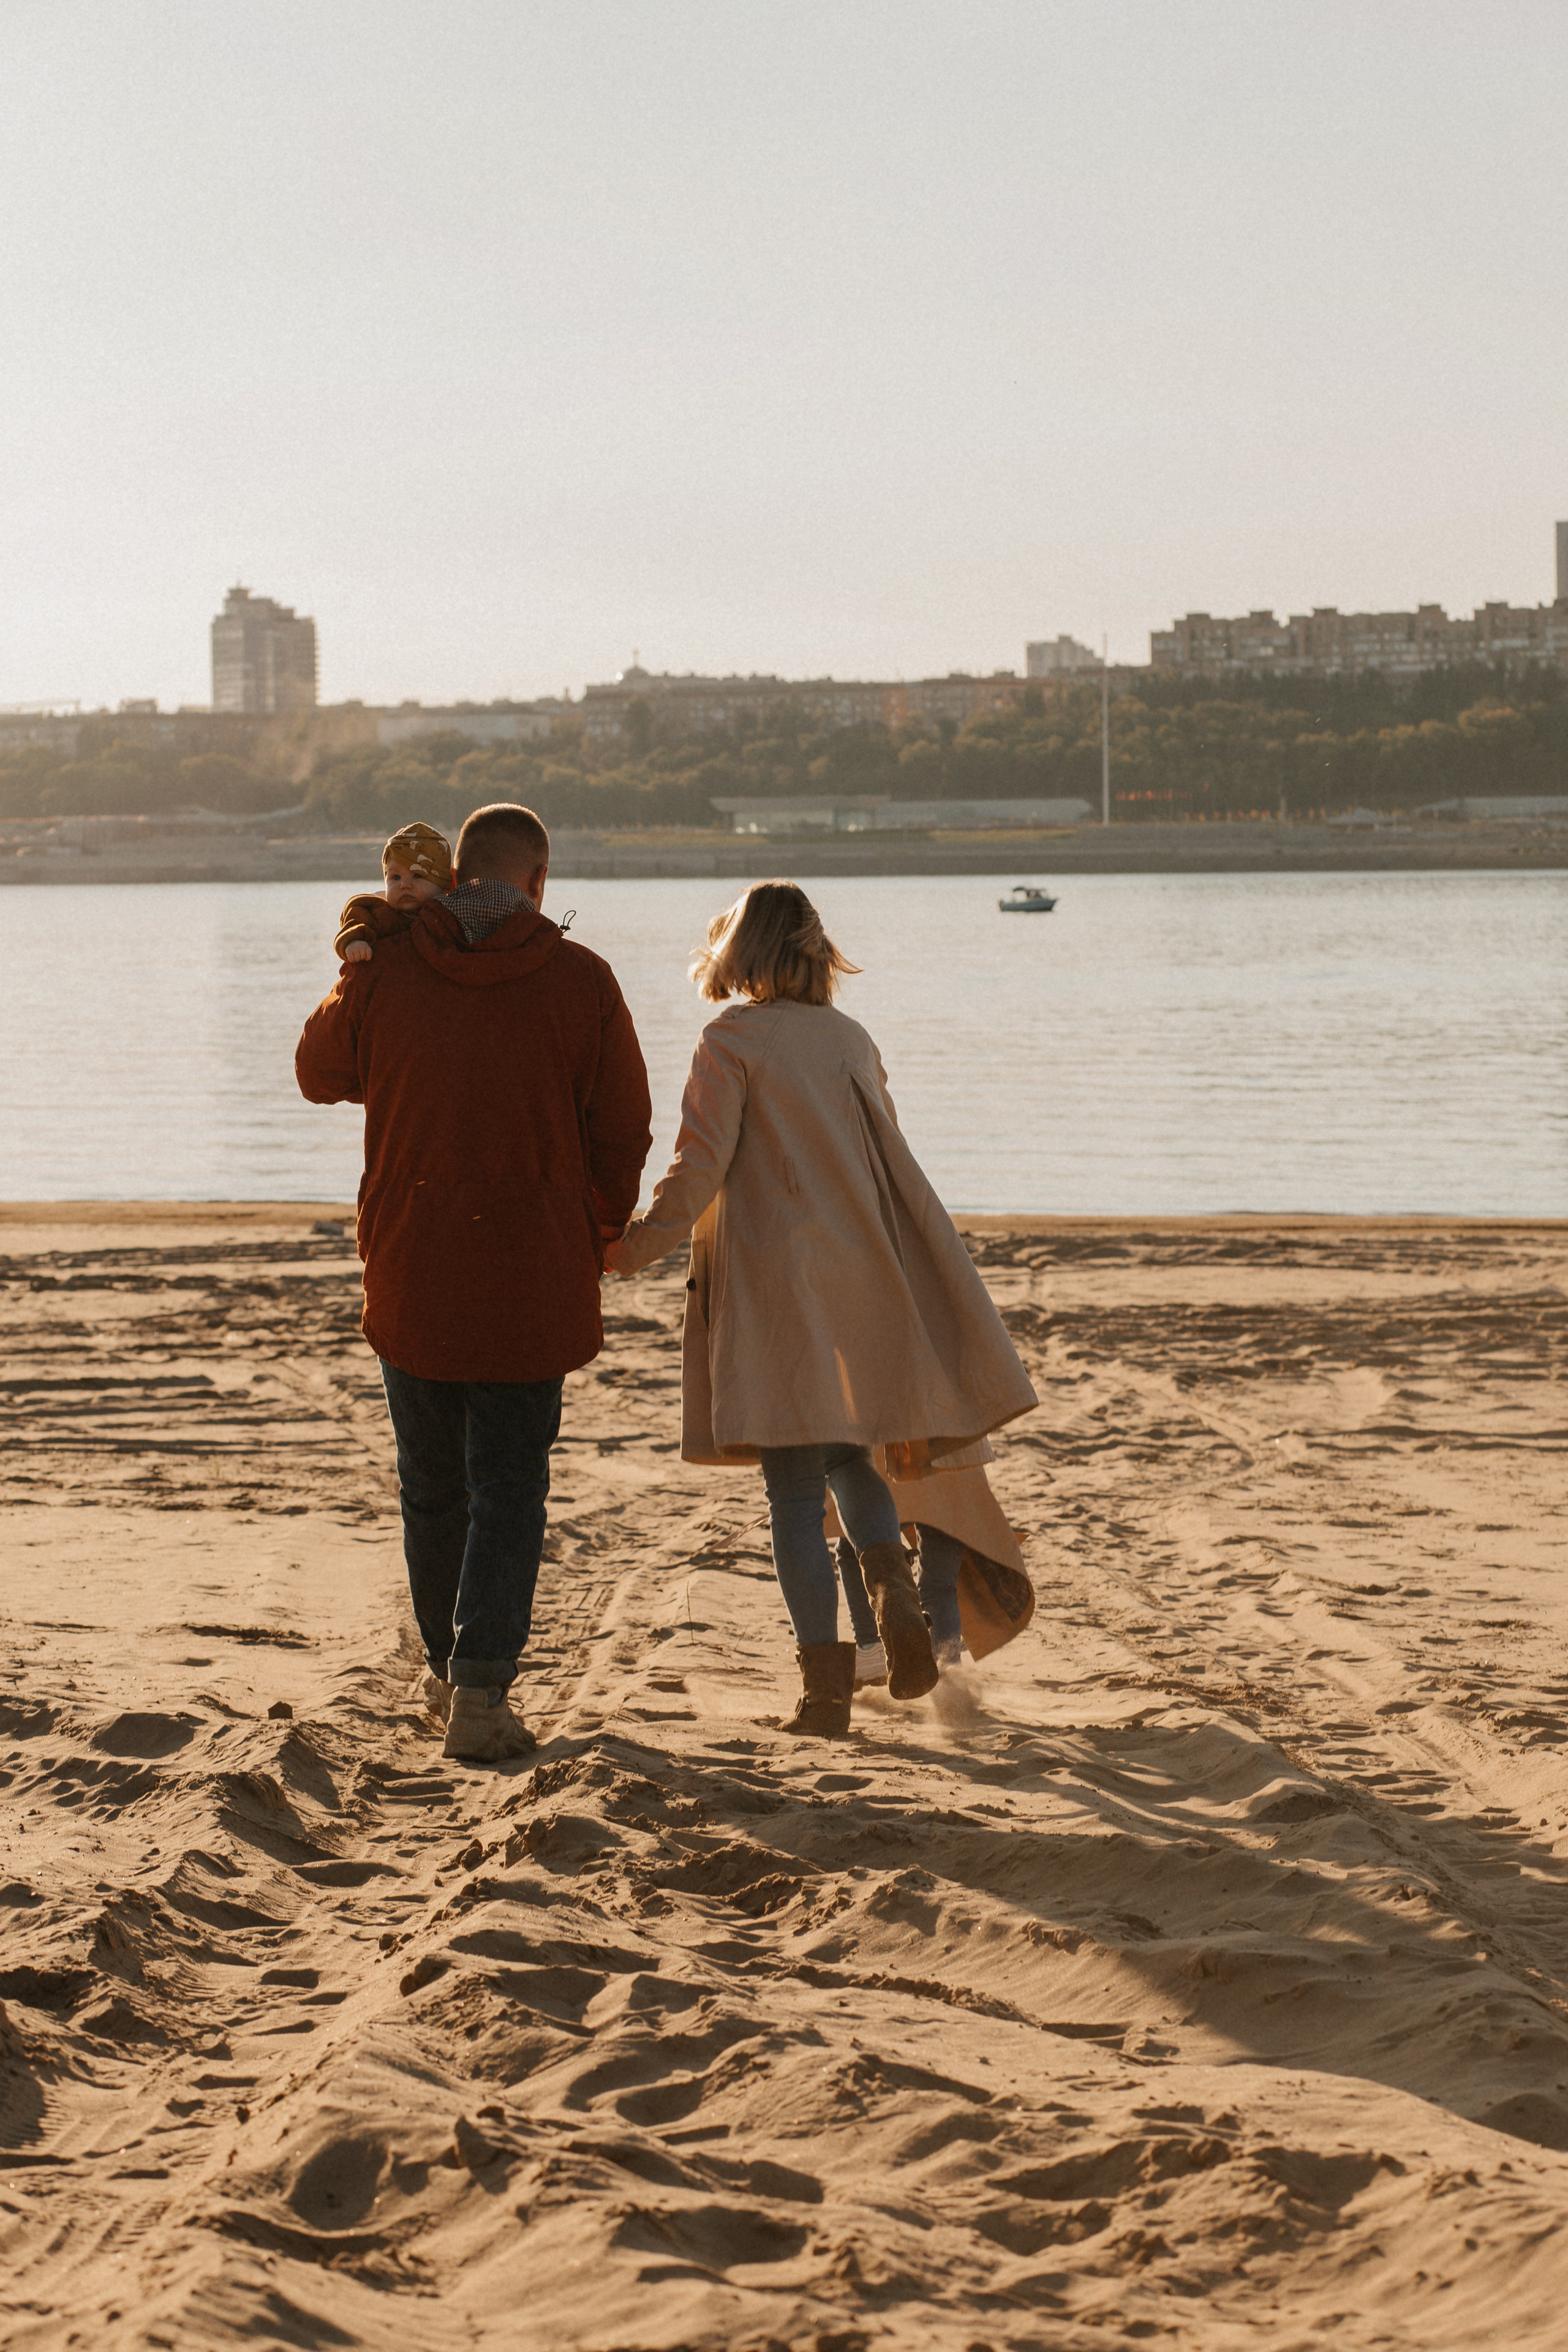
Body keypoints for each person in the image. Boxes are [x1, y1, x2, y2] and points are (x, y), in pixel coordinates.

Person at [604, 880, 1036, 1741]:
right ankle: (900, 1613)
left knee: (793, 1497)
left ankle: (824, 1695)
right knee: (854, 1461)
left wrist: (631, 1247)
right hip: (865, 1280)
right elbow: (885, 1158)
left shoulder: (731, 1041)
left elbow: (699, 1168)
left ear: (739, 952)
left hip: (777, 1289)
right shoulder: (851, 1038)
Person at [296, 802, 652, 1763]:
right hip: (534, 1272)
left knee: (432, 1487)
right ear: (538, 882)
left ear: (456, 880)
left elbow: (318, 1073)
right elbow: (624, 1130)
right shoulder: (583, 982)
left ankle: (452, 1669)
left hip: (413, 1266)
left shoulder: (391, 972)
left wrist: (359, 961)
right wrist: (601, 1230)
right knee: (510, 1485)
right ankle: (482, 1693)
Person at [333, 821, 454, 961]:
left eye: (417, 875)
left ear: (443, 885)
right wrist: (354, 943)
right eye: (396, 878)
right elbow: (354, 924)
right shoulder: (378, 913)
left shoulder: (449, 915)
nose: (405, 885)